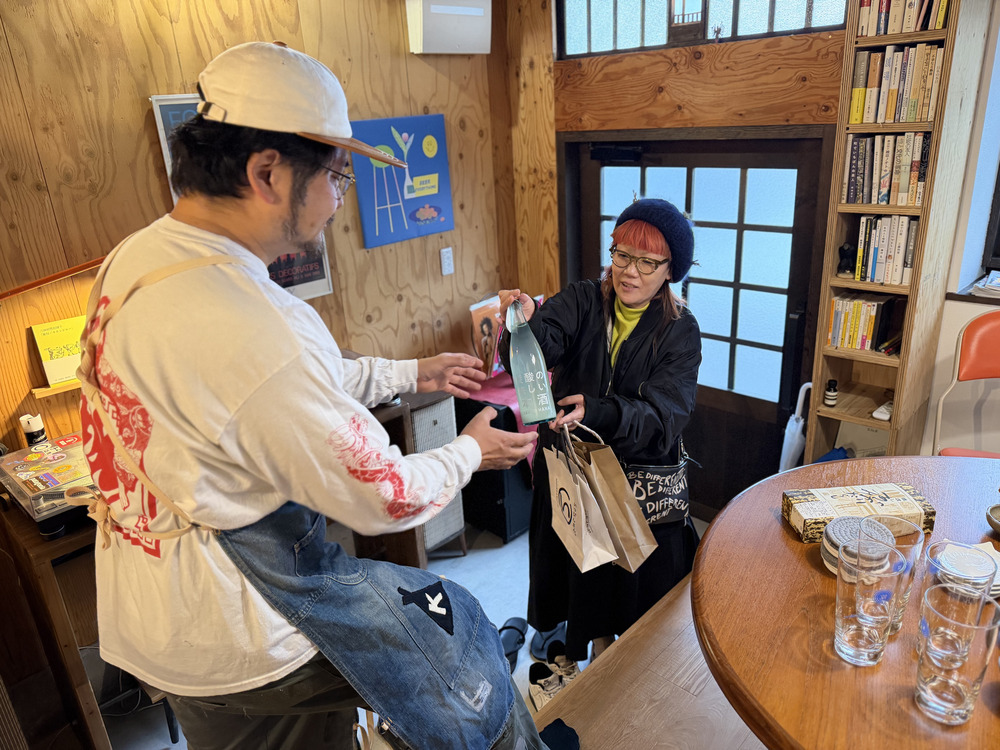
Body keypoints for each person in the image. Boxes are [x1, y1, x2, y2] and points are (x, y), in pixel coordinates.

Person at [69, 41, 575, 750]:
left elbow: (272, 391)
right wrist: (470, 451)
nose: (341, 199)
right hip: (246, 629)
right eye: (337, 175)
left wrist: (411, 374)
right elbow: (387, 498)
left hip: (157, 616)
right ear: (267, 172)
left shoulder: (143, 257)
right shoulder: (255, 323)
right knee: (457, 633)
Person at [498, 197, 702, 669]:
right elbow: (539, 351)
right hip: (571, 472)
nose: (629, 271)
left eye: (647, 262)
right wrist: (523, 325)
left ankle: (612, 669)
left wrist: (599, 412)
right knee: (577, 582)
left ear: (671, 271)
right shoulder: (583, 299)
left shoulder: (680, 331)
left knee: (628, 597)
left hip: (634, 485)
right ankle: (579, 657)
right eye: (622, 255)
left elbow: (664, 417)